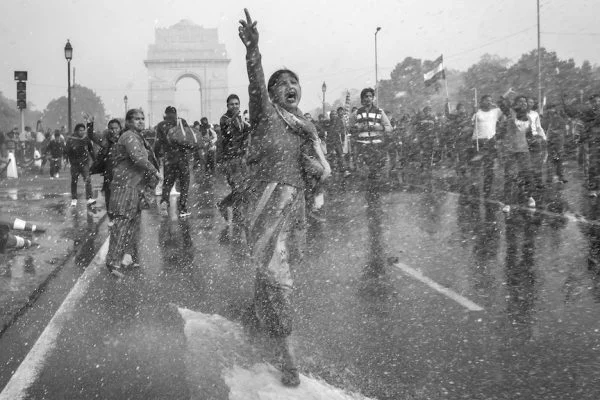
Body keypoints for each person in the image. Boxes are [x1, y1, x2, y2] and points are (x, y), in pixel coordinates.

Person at [238, 8, 330, 387]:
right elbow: (255, 83)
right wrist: (253, 51)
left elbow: (317, 172)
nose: (291, 86)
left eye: (295, 82)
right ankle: (287, 355)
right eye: (283, 83)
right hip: (266, 207)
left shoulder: (305, 128)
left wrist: (318, 176)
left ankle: (256, 312)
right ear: (272, 94)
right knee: (280, 279)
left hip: (294, 211)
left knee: (275, 270)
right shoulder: (266, 115)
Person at [106, 109, 160, 277]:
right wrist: (155, 171)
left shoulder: (137, 137)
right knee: (122, 224)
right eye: (137, 119)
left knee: (132, 225)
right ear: (128, 122)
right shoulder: (129, 137)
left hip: (134, 186)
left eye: (142, 118)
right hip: (125, 186)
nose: (141, 121)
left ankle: (126, 258)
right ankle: (113, 263)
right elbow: (137, 158)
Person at [218, 94, 251, 236]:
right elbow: (229, 129)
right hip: (230, 159)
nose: (235, 106)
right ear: (227, 106)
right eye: (232, 104)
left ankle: (224, 204)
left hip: (241, 158)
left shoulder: (241, 119)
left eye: (237, 103)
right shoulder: (224, 119)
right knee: (238, 188)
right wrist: (240, 120)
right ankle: (238, 218)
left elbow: (247, 133)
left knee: (243, 188)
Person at [498, 93, 536, 213]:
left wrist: (534, 143)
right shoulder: (511, 113)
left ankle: (529, 196)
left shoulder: (529, 118)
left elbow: (529, 135)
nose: (523, 103)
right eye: (520, 101)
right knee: (510, 176)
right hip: (510, 151)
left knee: (527, 175)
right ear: (515, 104)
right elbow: (501, 102)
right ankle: (507, 203)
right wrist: (507, 93)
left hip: (524, 151)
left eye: (525, 101)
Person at [349, 87, 392, 186]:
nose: (368, 98)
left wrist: (379, 127)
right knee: (365, 171)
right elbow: (349, 129)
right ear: (362, 99)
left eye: (370, 96)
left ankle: (374, 189)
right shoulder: (356, 113)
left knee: (376, 170)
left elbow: (389, 127)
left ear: (373, 98)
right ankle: (370, 188)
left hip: (377, 146)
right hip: (362, 146)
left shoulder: (380, 112)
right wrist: (358, 128)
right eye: (366, 96)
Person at [155, 106, 191, 217]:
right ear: (176, 113)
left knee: (168, 182)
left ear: (165, 114)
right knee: (184, 182)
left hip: (169, 158)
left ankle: (164, 202)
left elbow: (158, 143)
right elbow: (189, 138)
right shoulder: (182, 122)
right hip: (182, 157)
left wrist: (156, 156)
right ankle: (183, 208)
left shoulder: (161, 125)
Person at [471, 94, 507, 198]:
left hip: (490, 142)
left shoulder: (495, 112)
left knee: (489, 167)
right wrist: (473, 112)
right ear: (481, 102)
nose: (489, 102)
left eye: (490, 100)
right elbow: (470, 123)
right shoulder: (477, 112)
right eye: (486, 100)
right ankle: (474, 187)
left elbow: (505, 109)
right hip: (478, 141)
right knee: (477, 166)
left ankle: (487, 190)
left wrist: (501, 100)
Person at [89, 119, 123, 218]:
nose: (114, 131)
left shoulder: (125, 140)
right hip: (109, 175)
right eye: (111, 128)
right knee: (109, 198)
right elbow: (92, 136)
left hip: (123, 175)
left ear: (120, 129)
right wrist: (90, 124)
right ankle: (112, 217)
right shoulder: (105, 140)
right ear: (108, 129)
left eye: (116, 128)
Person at [65, 123, 96, 206]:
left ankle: (89, 198)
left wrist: (94, 159)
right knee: (74, 181)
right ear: (76, 131)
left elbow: (91, 150)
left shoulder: (86, 139)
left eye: (83, 130)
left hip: (84, 162)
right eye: (80, 130)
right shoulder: (71, 140)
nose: (82, 132)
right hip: (74, 163)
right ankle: (74, 198)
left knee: (87, 180)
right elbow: (66, 151)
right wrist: (66, 160)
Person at [543, 104, 567, 184]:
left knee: (559, 158)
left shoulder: (559, 118)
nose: (551, 110)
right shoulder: (546, 119)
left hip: (558, 142)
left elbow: (563, 130)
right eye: (550, 109)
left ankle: (560, 176)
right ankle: (550, 177)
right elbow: (543, 129)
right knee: (551, 159)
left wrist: (554, 133)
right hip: (550, 141)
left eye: (552, 108)